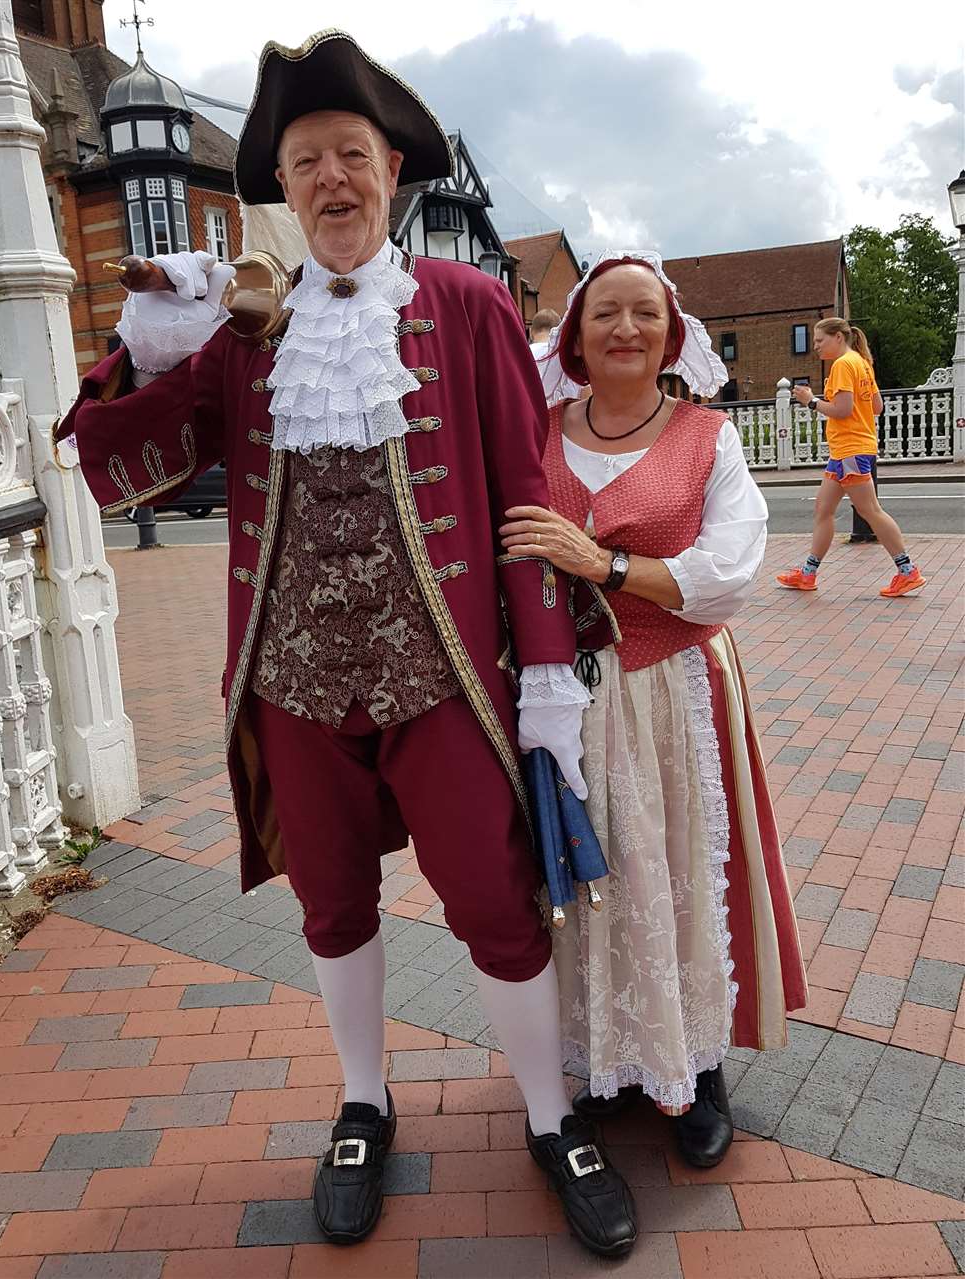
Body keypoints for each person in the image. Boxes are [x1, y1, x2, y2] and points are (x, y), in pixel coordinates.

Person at [58, 30, 638, 1259]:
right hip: (291, 680)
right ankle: (364, 1104)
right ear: (284, 182)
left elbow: (528, 501)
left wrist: (544, 677)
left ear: (391, 174)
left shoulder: (469, 306)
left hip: (447, 678)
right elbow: (119, 467)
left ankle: (552, 1116)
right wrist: (157, 336)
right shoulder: (248, 334)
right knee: (332, 903)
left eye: (352, 157)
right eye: (307, 159)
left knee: (494, 896)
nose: (331, 178)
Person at [499, 252, 808, 1167]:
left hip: (673, 685)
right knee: (584, 873)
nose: (625, 328)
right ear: (576, 337)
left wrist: (606, 566)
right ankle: (599, 1058)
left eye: (643, 313)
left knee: (670, 863)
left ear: (672, 335)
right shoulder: (535, 428)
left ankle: (696, 1064)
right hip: (561, 691)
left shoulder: (710, 436)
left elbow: (728, 573)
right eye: (605, 315)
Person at [777, 318, 925, 598]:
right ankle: (808, 574)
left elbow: (843, 409)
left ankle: (908, 572)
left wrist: (810, 400)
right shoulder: (861, 362)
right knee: (823, 509)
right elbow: (877, 406)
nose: (815, 347)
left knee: (870, 511)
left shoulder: (844, 365)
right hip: (848, 450)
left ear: (837, 337)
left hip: (850, 449)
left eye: (820, 340)